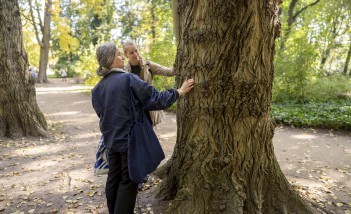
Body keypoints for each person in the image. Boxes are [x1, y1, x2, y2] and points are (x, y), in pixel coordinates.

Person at [91, 42, 194, 214]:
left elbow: (102, 114)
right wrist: (179, 92)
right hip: (129, 141)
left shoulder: (97, 89)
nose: (122, 57)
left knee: (113, 180)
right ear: (109, 59)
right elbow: (154, 99)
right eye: (118, 54)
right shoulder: (128, 79)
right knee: (128, 182)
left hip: (112, 140)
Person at [123, 40, 176, 127]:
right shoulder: (124, 71)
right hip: (134, 109)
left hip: (149, 106)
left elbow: (169, 72)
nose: (135, 54)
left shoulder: (148, 65)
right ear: (126, 55)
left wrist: (179, 62)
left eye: (136, 51)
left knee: (151, 134)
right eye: (131, 53)